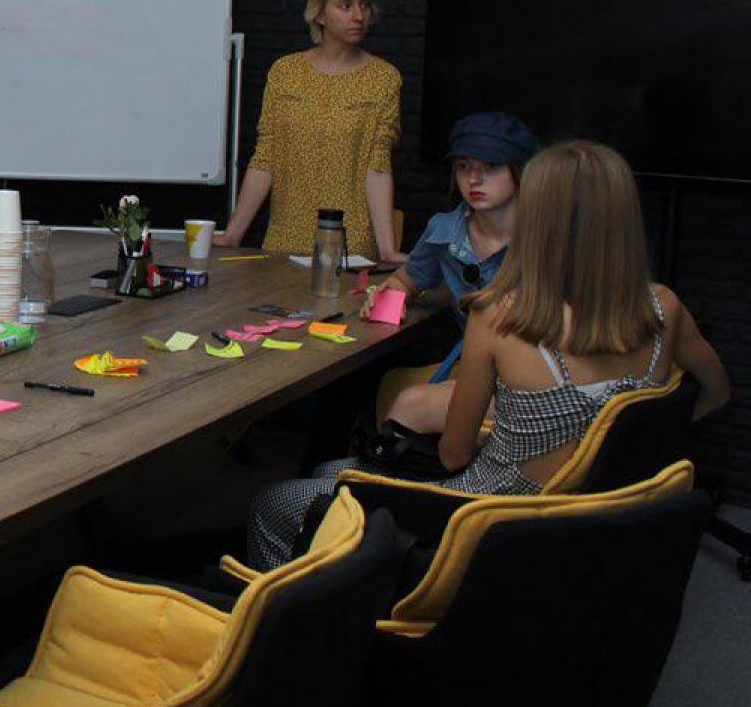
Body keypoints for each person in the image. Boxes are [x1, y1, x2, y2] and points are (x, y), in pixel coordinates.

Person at [244, 140, 731, 569]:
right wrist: (607, 458)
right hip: (589, 519)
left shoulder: (499, 315)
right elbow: (714, 393)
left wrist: (508, 442)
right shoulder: (664, 307)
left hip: (487, 518)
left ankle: (302, 623)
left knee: (275, 501)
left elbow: (454, 454)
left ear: (538, 221)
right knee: (330, 471)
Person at [217, 0, 407, 263]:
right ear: (319, 13)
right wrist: (232, 235)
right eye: (345, 6)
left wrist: (387, 249)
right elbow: (265, 158)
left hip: (350, 248)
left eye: (364, 5)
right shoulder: (286, 72)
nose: (358, 16)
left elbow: (378, 167)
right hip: (283, 243)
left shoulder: (383, 79)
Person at [368, 111, 539, 433]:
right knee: (389, 395)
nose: (473, 179)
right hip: (476, 368)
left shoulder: (545, 233)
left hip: (535, 373)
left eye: (490, 166)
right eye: (463, 166)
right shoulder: (444, 230)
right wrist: (386, 302)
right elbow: (405, 280)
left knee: (410, 407)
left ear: (519, 169)